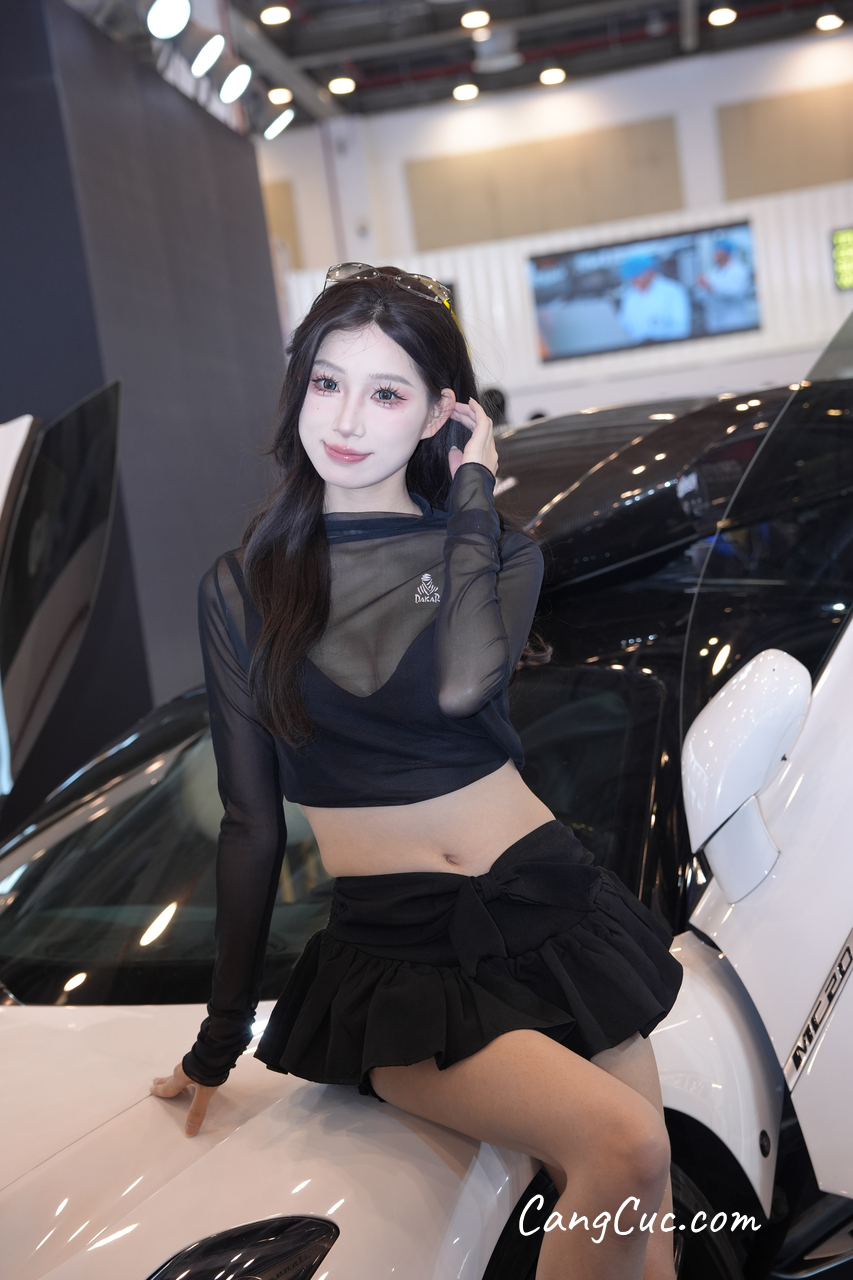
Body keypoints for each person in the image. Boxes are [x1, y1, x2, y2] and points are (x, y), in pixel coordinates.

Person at [151, 264, 683, 1280]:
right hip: (403, 954)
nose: (347, 419)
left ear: (441, 412)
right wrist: (217, 1039)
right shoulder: (241, 589)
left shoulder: (496, 552)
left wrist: (473, 492)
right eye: (327, 382)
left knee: (645, 1227)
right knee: (625, 1146)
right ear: (298, 388)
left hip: (554, 907)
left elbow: (463, 682)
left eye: (386, 392)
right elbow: (250, 822)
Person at [618, 253, 691, 344]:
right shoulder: (630, 297)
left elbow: (681, 329)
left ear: (649, 271)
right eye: (631, 278)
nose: (633, 281)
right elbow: (623, 326)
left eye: (636, 276)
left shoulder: (674, 291)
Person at [696, 238, 753, 334]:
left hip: (734, 323)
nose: (714, 254)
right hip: (715, 324)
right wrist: (702, 287)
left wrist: (710, 287)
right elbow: (701, 295)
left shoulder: (739, 270)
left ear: (725, 253)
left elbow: (735, 293)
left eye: (717, 251)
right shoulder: (713, 272)